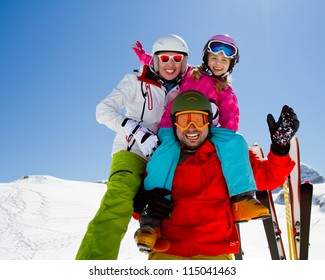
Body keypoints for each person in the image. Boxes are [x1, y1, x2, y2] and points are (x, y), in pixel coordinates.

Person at [132, 35, 270, 251]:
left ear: (231, 65)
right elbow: (165, 64)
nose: (218, 63)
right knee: (163, 158)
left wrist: (215, 129)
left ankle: (242, 199)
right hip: (173, 125)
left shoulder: (226, 92)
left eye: (224, 61)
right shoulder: (191, 73)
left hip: (207, 130)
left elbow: (231, 122)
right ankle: (149, 224)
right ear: (206, 57)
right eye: (214, 58)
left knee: (236, 141)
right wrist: (143, 56)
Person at [133, 90, 299, 260]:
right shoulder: (160, 154)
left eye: (199, 121)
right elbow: (135, 191)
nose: (192, 128)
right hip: (167, 251)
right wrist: (142, 202)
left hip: (215, 253)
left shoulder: (230, 156)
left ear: (209, 123)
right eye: (184, 121)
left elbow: (269, 177)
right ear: (175, 124)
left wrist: (280, 149)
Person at [75, 34, 189, 260]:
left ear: (184, 62)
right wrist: (135, 129)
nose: (170, 64)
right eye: (164, 58)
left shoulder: (186, 86)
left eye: (177, 59)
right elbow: (103, 110)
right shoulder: (137, 79)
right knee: (118, 202)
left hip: (164, 158)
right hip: (131, 153)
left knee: (166, 209)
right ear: (155, 60)